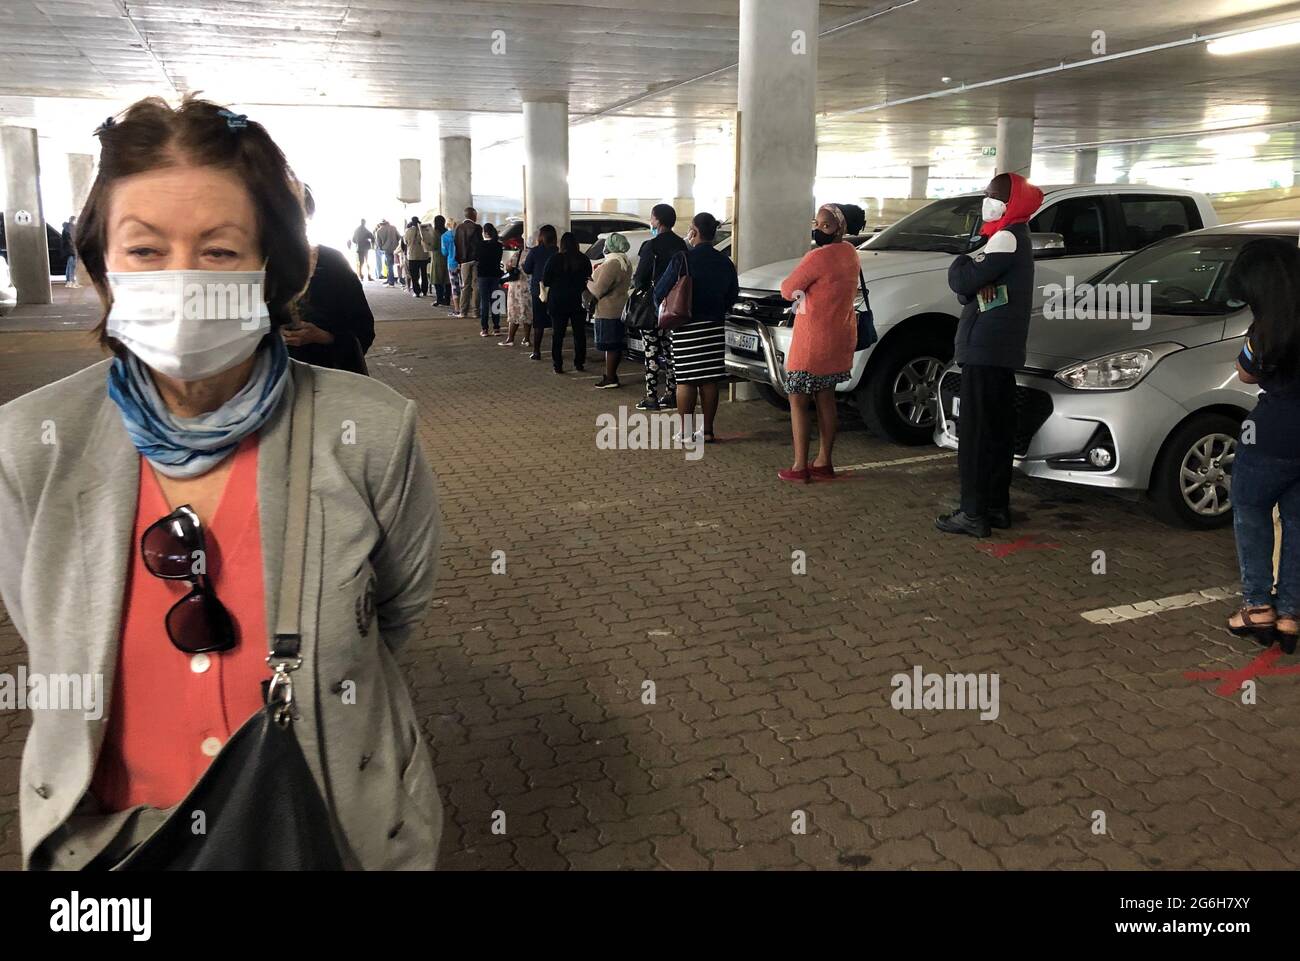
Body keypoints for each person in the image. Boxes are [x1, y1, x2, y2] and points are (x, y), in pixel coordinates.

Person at [0, 97, 441, 870]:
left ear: (275, 266)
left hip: (319, 837)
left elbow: (392, 617)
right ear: (102, 263)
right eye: (144, 250)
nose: (183, 280)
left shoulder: (369, 431)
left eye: (218, 251)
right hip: (110, 860)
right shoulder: (30, 448)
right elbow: (50, 625)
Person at [936, 171, 1043, 538]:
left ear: (1011, 203)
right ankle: (996, 507)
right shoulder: (1011, 238)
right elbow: (973, 289)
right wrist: (972, 274)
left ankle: (973, 512)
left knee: (978, 435)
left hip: (985, 350)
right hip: (996, 351)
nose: (987, 200)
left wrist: (963, 261)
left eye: (994, 195)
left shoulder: (1006, 238)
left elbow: (962, 281)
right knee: (995, 433)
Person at [1225, 237, 1300, 655]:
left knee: (1250, 509)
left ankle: (1257, 607)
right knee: (1298, 523)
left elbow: (1245, 373)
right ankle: (1289, 615)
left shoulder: (1270, 327)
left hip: (1272, 432)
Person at [776, 204, 860, 482]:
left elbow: (788, 290)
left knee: (798, 399)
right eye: (817, 223)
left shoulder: (818, 257)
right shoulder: (851, 253)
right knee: (826, 398)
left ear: (840, 227)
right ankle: (824, 461)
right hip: (839, 338)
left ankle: (800, 466)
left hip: (812, 340)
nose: (818, 229)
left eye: (825, 225)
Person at [653, 213, 738, 440]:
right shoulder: (725, 261)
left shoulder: (683, 259)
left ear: (694, 232)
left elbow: (660, 291)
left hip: (686, 326)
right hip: (714, 326)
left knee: (686, 380)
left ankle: (686, 431)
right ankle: (708, 431)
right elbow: (732, 294)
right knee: (709, 379)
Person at [285, 184, 375, 374]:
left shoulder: (334, 263)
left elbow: (364, 328)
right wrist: (275, 336)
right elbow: (245, 332)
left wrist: (323, 337)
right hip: (271, 387)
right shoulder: (256, 266)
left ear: (309, 214)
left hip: (330, 381)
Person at [633, 203, 688, 410]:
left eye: (652, 218)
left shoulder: (651, 246)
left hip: (654, 307)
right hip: (676, 306)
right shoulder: (682, 245)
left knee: (651, 351)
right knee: (670, 350)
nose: (651, 221)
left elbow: (640, 278)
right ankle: (672, 393)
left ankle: (651, 397)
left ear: (658, 221)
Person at [541, 230, 592, 374]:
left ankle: (558, 365)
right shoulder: (583, 259)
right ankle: (579, 363)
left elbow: (546, 280)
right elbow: (589, 278)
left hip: (558, 300)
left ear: (561, 244)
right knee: (579, 334)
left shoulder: (554, 259)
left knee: (558, 335)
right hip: (578, 301)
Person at [587, 232, 632, 388]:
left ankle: (610, 377)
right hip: (619, 307)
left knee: (610, 345)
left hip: (608, 309)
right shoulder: (624, 261)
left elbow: (599, 289)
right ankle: (611, 375)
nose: (604, 247)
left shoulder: (612, 264)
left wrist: (587, 282)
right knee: (615, 345)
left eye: (606, 244)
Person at [523, 225, 558, 361]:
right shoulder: (557, 251)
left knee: (538, 322)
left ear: (541, 236)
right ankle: (556, 351)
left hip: (538, 290)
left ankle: (537, 351)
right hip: (555, 290)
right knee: (556, 321)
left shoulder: (535, 251)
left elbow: (527, 269)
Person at [500, 236, 532, 348]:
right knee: (527, 312)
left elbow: (509, 266)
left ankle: (510, 338)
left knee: (514, 312)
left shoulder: (519, 253)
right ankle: (527, 339)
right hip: (528, 287)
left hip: (516, 287)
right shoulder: (534, 254)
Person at [476, 221, 505, 337]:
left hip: (482, 275)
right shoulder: (498, 245)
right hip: (495, 275)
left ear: (485, 233)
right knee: (496, 301)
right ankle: (496, 328)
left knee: (484, 302)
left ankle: (484, 329)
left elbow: (477, 259)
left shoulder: (480, 245)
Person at [454, 206, 481, 318]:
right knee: (476, 286)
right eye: (475, 214)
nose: (476, 216)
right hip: (475, 260)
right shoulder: (477, 227)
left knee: (465, 285)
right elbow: (480, 244)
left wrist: (459, 261)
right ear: (472, 215)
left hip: (464, 261)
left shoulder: (459, 228)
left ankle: (463, 312)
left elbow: (457, 245)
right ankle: (475, 312)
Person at [404, 216, 430, 298]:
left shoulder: (408, 231)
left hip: (412, 256)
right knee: (424, 274)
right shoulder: (424, 230)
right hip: (424, 255)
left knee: (414, 275)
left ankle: (417, 292)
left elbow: (405, 242)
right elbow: (429, 241)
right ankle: (425, 291)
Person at [429, 215, 451, 305]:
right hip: (447, 258)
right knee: (447, 280)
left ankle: (439, 299)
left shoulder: (434, 233)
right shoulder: (447, 232)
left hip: (437, 258)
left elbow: (433, 246)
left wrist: (424, 242)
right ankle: (447, 299)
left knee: (437, 280)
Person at [443, 216, 461, 315]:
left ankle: (457, 309)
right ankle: (465, 307)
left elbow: (444, 252)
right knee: (465, 285)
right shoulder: (460, 234)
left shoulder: (444, 236)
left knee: (455, 286)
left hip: (452, 263)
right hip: (462, 263)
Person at [375, 218, 400, 286]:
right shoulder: (393, 228)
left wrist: (382, 248)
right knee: (398, 264)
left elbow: (378, 243)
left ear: (381, 224)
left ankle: (391, 281)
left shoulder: (379, 231)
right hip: (395, 249)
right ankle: (400, 280)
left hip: (387, 249)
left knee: (389, 265)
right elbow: (399, 237)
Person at [60, 216, 79, 287]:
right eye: (76, 221)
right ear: (73, 220)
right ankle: (71, 281)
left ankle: (68, 281)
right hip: (72, 249)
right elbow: (72, 239)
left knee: (69, 265)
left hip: (68, 249)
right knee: (72, 265)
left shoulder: (66, 228)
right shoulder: (71, 228)